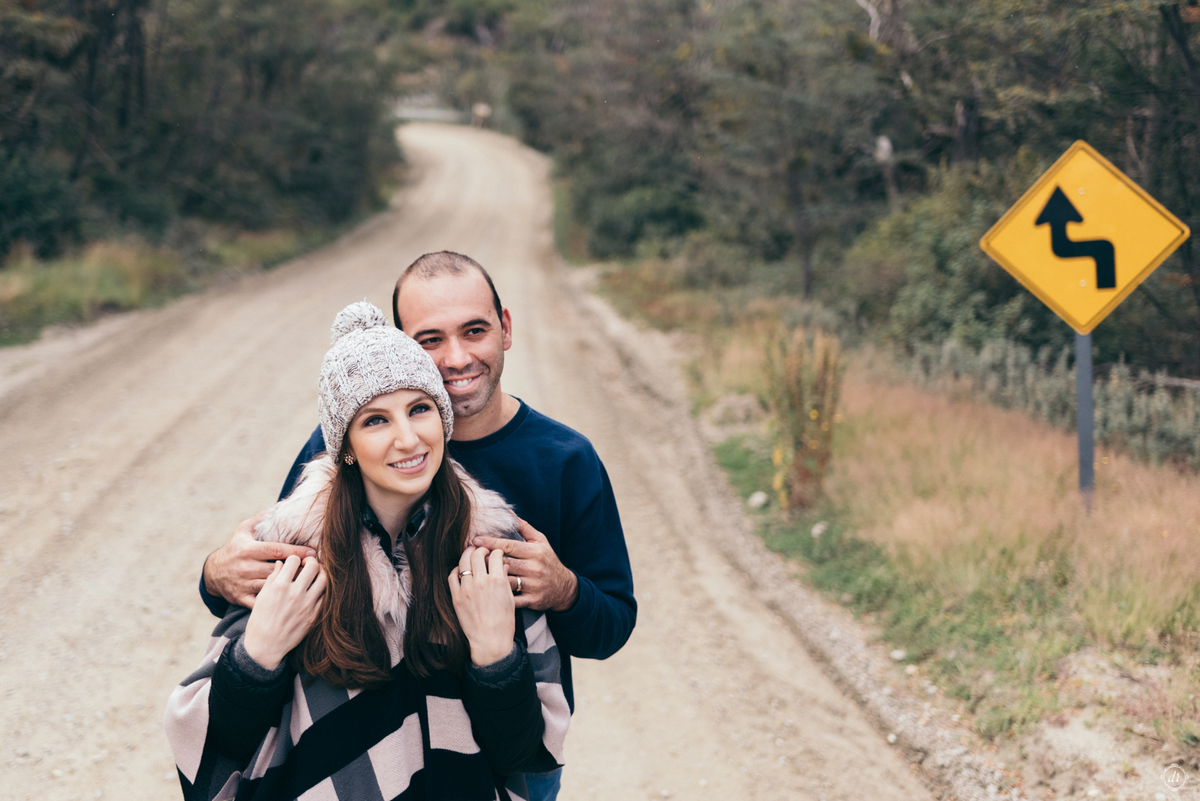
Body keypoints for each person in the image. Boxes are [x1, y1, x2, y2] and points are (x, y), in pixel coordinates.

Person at [199, 252, 638, 800]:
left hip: (508, 755)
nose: (456, 358)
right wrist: (215, 574)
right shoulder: (338, 454)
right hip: (360, 752)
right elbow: (278, 581)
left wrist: (564, 590)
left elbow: (612, 626)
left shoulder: (565, 459)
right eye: (430, 340)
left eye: (474, 331)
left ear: (504, 328)